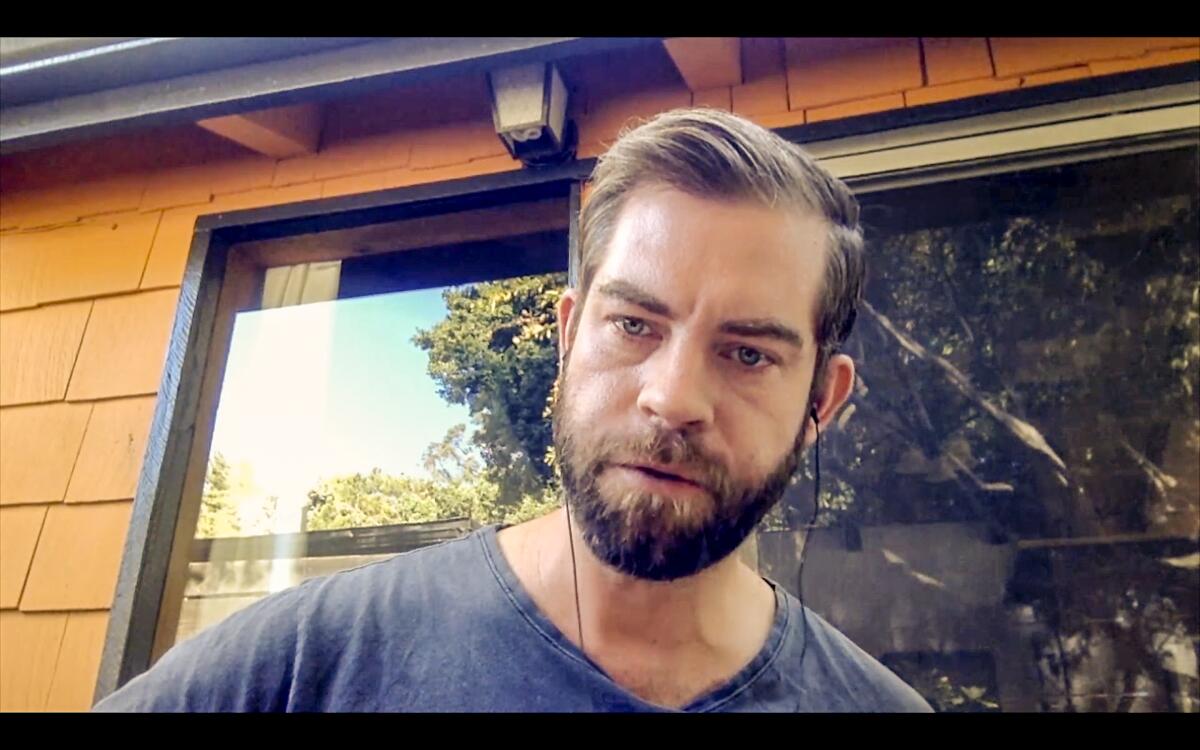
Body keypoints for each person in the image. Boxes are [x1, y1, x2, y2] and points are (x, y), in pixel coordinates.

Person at [94, 108, 931, 713]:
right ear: (569, 338)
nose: (673, 398)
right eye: (634, 324)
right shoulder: (307, 665)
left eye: (749, 353)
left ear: (822, 400)